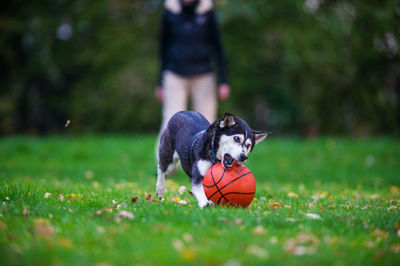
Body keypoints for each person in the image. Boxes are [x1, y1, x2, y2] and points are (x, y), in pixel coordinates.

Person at [156, 0, 230, 131]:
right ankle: (165, 152)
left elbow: (218, 47)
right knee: (171, 121)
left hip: (204, 74)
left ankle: (207, 152)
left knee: (206, 122)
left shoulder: (207, 13)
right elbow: (163, 48)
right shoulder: (169, 13)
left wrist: (223, 81)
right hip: (174, 73)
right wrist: (160, 83)